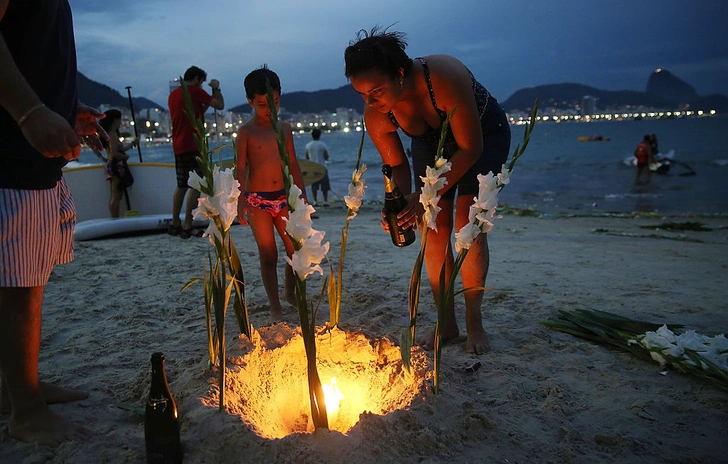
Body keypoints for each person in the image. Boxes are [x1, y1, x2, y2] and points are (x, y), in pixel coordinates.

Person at [344, 27, 511, 354]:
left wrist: (424, 198)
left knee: (469, 223)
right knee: (433, 228)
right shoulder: (376, 114)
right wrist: (402, 204)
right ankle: (446, 324)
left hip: (483, 136)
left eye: (376, 90)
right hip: (428, 144)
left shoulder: (444, 76)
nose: (370, 101)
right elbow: (398, 169)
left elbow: (470, 148)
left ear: (400, 73)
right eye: (361, 94)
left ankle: (475, 323)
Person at [0, 0, 107, 446]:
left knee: (29, 276)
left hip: (33, 157)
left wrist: (65, 105)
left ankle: (19, 387)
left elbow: (33, 49)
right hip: (11, 153)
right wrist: (29, 112)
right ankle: (24, 410)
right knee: (18, 283)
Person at [235, 66, 309, 322]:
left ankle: (290, 292)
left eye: (275, 102)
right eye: (263, 104)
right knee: (268, 253)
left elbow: (293, 162)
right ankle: (274, 304)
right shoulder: (246, 132)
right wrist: (239, 200)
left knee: (294, 249)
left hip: (283, 196)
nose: (270, 109)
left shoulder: (284, 129)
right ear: (250, 102)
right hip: (257, 200)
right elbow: (241, 167)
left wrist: (301, 194)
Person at [167, 65, 225, 238]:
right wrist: (216, 88)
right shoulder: (195, 91)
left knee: (181, 185)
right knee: (196, 185)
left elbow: (197, 111)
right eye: (202, 82)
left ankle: (175, 222)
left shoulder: (174, 95)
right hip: (194, 145)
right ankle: (187, 225)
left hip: (178, 144)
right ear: (198, 79)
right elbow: (220, 105)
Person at [99, 109, 136, 218]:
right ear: (114, 121)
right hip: (116, 166)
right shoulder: (113, 135)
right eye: (119, 120)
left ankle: (114, 217)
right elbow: (115, 153)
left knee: (115, 194)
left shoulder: (109, 135)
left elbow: (118, 150)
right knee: (116, 194)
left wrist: (132, 144)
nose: (120, 122)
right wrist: (125, 157)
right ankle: (114, 218)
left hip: (112, 166)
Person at [305, 128, 331, 206]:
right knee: (325, 186)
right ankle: (325, 201)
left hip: (313, 167)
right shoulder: (322, 145)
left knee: (314, 186)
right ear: (320, 135)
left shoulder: (308, 145)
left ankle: (315, 201)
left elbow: (307, 157)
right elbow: (326, 157)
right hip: (322, 167)